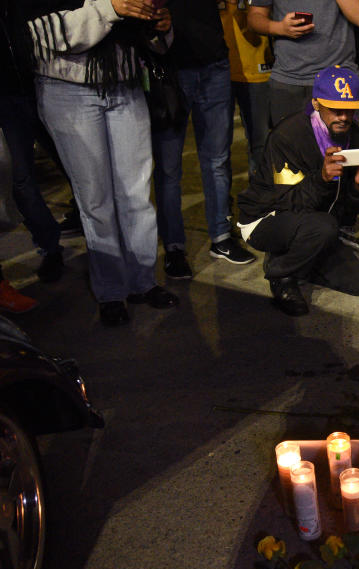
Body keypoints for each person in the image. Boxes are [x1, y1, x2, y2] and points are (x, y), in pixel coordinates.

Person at [29, 0, 179, 327]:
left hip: (126, 82)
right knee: (96, 199)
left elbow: (146, 36)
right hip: (67, 88)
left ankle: (143, 281)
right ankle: (111, 291)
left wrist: (159, 26)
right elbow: (46, 33)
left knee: (136, 194)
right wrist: (112, 8)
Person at [236, 66, 359, 316]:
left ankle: (303, 259)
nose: (344, 117)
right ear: (316, 103)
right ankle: (280, 272)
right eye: (335, 109)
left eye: (349, 110)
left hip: (317, 222)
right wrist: (322, 179)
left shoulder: (356, 138)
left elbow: (352, 207)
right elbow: (285, 202)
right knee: (323, 226)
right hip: (266, 219)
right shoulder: (288, 135)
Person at [152, 1, 255, 281]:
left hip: (215, 64)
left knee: (217, 159)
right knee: (169, 168)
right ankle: (174, 247)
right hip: (169, 71)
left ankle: (221, 238)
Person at [0, 0, 65, 283]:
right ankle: (50, 247)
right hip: (7, 101)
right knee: (22, 181)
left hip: (46, 84)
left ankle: (103, 239)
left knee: (77, 167)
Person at [248, 0, 359, 127]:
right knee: (290, 144)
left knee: (338, 146)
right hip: (288, 80)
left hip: (337, 79)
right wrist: (279, 28)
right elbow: (254, 17)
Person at [221, 0, 273, 182]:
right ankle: (222, 207)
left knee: (261, 143)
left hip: (258, 67)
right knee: (218, 150)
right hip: (215, 69)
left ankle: (260, 200)